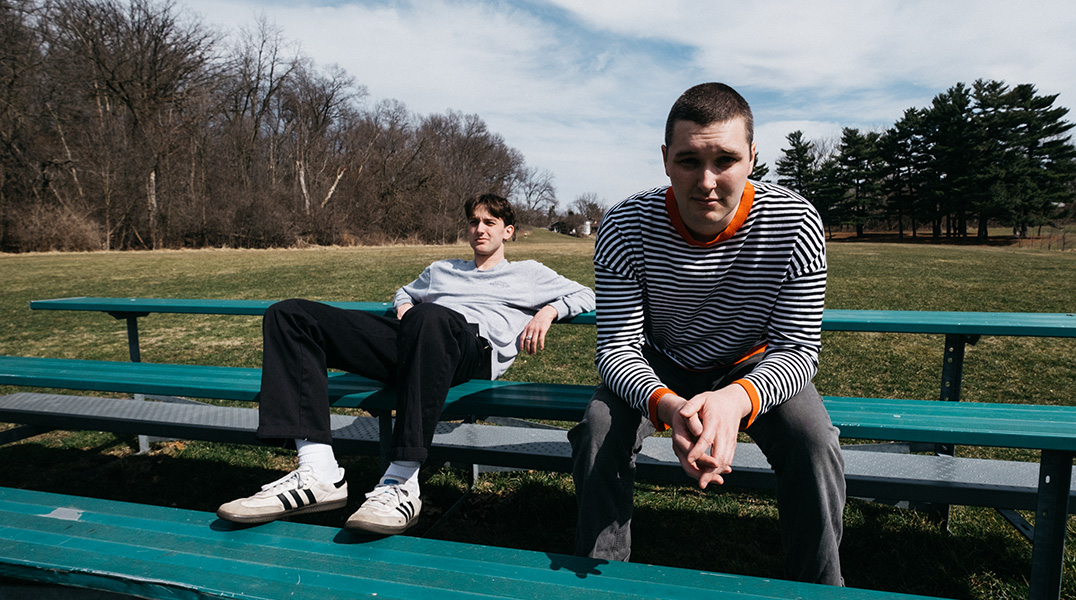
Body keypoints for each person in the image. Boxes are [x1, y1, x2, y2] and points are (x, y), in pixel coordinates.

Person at [569, 83, 845, 585]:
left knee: (814, 439)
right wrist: (669, 406)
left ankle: (822, 586)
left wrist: (735, 400)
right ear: (665, 160)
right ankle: (600, 577)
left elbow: (798, 349)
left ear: (753, 158)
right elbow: (617, 349)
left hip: (753, 363)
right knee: (598, 430)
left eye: (726, 159)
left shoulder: (796, 221)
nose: (708, 180)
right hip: (658, 361)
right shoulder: (625, 224)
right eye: (689, 161)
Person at [218, 193, 595, 534]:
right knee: (290, 315)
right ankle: (318, 470)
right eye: (473, 222)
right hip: (415, 339)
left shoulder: (527, 273)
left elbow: (586, 294)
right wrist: (403, 307)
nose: (479, 229)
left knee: (431, 317)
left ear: (508, 232)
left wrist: (548, 311)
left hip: (470, 350)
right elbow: (406, 291)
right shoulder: (442, 269)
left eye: (489, 223)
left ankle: (402, 480)